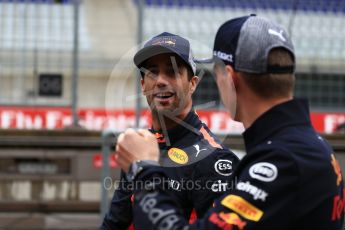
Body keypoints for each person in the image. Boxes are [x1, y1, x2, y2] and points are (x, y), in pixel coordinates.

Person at [115, 15, 345, 229]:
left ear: (229, 77)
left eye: (215, 73)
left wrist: (143, 169)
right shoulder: (309, 146)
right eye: (152, 72)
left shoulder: (280, 163)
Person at [100, 32, 240, 229]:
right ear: (142, 85)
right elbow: (115, 223)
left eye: (172, 72)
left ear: (192, 84)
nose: (160, 81)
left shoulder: (214, 158)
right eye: (152, 72)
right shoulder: (139, 147)